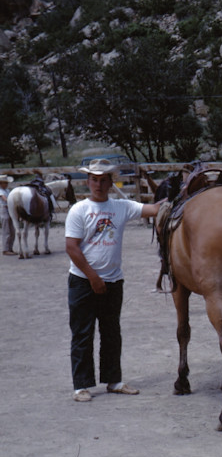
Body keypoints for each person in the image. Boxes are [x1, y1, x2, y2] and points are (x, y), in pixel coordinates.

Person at [65, 159, 164, 402]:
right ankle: (81, 385)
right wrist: (93, 277)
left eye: (103, 180)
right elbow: (72, 247)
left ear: (111, 182)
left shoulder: (122, 207)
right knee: (82, 332)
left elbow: (154, 209)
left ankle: (114, 380)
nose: (98, 185)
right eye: (94, 180)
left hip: (113, 281)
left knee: (111, 332)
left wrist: (178, 196)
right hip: (83, 281)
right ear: (88, 182)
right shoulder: (79, 210)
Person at [0, 174, 16, 255]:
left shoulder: (7, 190)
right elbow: (5, 199)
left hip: (9, 209)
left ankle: (10, 248)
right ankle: (6, 249)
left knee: (12, 230)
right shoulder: (1, 191)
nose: (6, 184)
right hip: (4, 209)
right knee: (6, 230)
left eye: (7, 183)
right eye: (5, 183)